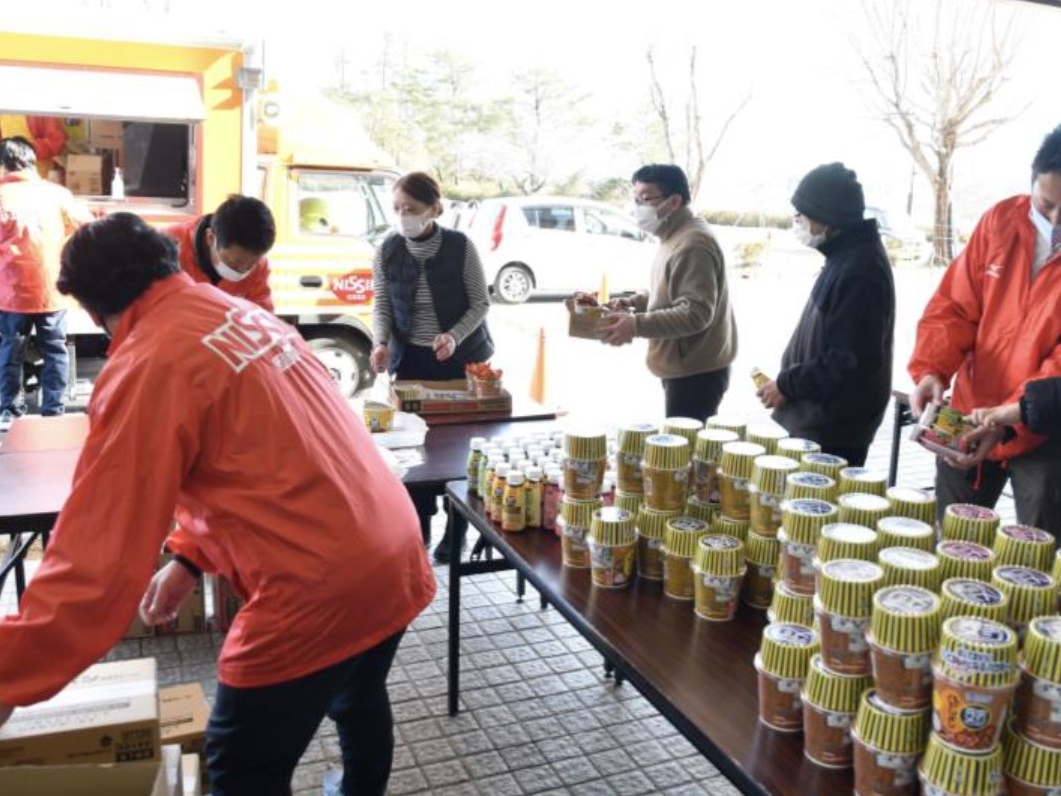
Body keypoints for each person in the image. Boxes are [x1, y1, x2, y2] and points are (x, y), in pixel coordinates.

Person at [0, 213, 435, 796]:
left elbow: (96, 559)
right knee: (357, 693)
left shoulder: (149, 362)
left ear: (87, 305)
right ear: (168, 260)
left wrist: (10, 673)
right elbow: (260, 460)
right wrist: (187, 557)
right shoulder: (244, 315)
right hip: (393, 550)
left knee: (239, 766)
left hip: (316, 583)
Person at [908, 124, 1061, 533]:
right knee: (954, 538)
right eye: (1047, 204)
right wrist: (931, 370)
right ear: (1032, 181)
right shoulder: (1000, 221)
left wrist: (1008, 418)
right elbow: (954, 306)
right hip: (969, 410)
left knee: (1036, 551)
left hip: (1042, 428)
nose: (1056, 219)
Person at [370, 171, 492, 563]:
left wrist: (453, 336)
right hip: (412, 361)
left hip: (459, 358)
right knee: (414, 448)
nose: (404, 216)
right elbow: (383, 305)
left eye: (412, 209)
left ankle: (456, 531)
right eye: (398, 209)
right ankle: (418, 525)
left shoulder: (460, 246)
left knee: (459, 449)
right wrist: (380, 342)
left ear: (435, 209)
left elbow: (480, 303)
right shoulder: (388, 249)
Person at [757, 162, 895, 466]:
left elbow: (848, 360)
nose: (797, 222)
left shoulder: (860, 270)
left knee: (815, 509)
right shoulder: (845, 256)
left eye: (801, 215)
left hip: (834, 428)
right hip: (819, 417)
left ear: (827, 218)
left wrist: (786, 384)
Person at [598, 163, 737, 422]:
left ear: (674, 201)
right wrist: (633, 304)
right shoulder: (675, 235)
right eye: (636, 199)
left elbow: (696, 313)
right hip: (684, 366)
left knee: (682, 451)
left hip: (695, 372)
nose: (638, 207)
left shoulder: (693, 243)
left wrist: (636, 325)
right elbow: (670, 292)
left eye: (646, 199)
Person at [0, 136, 92, 428]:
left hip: (10, 293)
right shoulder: (57, 194)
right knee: (55, 350)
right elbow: (87, 226)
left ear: (5, 164)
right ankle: (54, 411)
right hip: (51, 290)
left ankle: (9, 412)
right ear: (30, 161)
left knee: (10, 351)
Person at [165, 194, 275, 311]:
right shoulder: (165, 249)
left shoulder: (256, 262)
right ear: (210, 238)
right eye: (236, 263)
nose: (243, 271)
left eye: (252, 265)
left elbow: (263, 316)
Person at [0, 115, 66, 177]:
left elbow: (57, 141)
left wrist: (29, 149)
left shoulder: (38, 110)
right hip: (10, 178)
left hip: (41, 177)